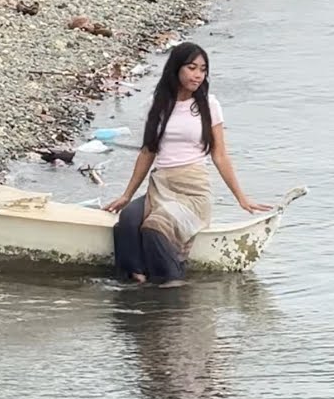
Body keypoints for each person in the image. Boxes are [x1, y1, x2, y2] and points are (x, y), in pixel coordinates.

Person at [104, 42, 270, 287]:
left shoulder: (208, 105)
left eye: (203, 69)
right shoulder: (157, 103)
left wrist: (242, 198)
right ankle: (136, 278)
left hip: (192, 190)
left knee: (155, 228)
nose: (198, 75)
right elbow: (148, 152)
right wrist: (127, 195)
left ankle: (173, 282)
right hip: (161, 185)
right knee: (128, 219)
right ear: (176, 69)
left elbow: (220, 155)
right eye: (192, 68)